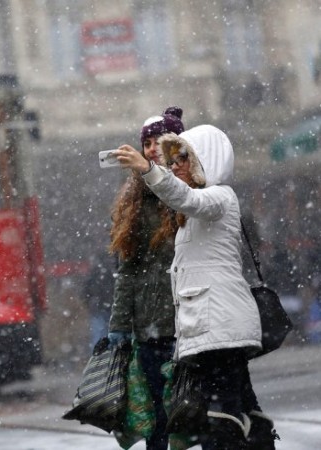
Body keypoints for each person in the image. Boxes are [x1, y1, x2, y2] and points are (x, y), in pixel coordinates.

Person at [114, 125, 279, 449]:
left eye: (182, 158)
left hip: (219, 326)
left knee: (219, 417)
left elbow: (186, 197)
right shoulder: (197, 209)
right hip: (210, 327)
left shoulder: (218, 197)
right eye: (172, 160)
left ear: (204, 160)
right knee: (236, 409)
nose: (175, 166)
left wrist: (147, 168)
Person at [107, 106, 184, 450]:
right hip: (152, 327)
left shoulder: (191, 192)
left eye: (160, 142)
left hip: (189, 322)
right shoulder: (134, 201)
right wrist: (119, 327)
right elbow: (127, 272)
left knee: (196, 414)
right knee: (158, 420)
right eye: (147, 143)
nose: (152, 149)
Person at [82, 255, 116, 348]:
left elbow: (85, 291)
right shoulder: (111, 273)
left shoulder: (94, 274)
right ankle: (109, 350)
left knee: (98, 333)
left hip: (97, 308)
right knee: (110, 332)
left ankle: (98, 352)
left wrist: (89, 302)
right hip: (109, 307)